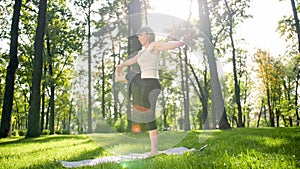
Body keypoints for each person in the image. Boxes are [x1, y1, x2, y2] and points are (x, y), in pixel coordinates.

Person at [115, 27, 189, 156]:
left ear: (148, 35)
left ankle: (154, 150)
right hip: (144, 82)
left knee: (148, 115)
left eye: (140, 35)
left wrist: (181, 42)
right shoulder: (141, 52)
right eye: (138, 35)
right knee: (133, 74)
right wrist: (121, 65)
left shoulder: (153, 46)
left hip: (152, 84)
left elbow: (167, 46)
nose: (139, 37)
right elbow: (132, 61)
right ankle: (120, 77)